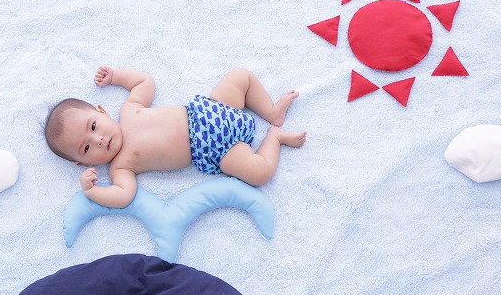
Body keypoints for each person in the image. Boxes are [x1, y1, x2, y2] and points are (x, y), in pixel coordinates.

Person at [45, 66, 306, 208]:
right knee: (259, 173)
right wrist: (93, 191)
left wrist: (116, 76)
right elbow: (124, 196)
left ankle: (272, 112)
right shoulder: (120, 167)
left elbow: (144, 82)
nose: (99, 140)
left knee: (240, 76)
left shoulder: (129, 110)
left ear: (101, 111)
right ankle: (275, 138)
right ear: (83, 163)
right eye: (86, 148)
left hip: (213, 109)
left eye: (93, 127)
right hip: (216, 149)